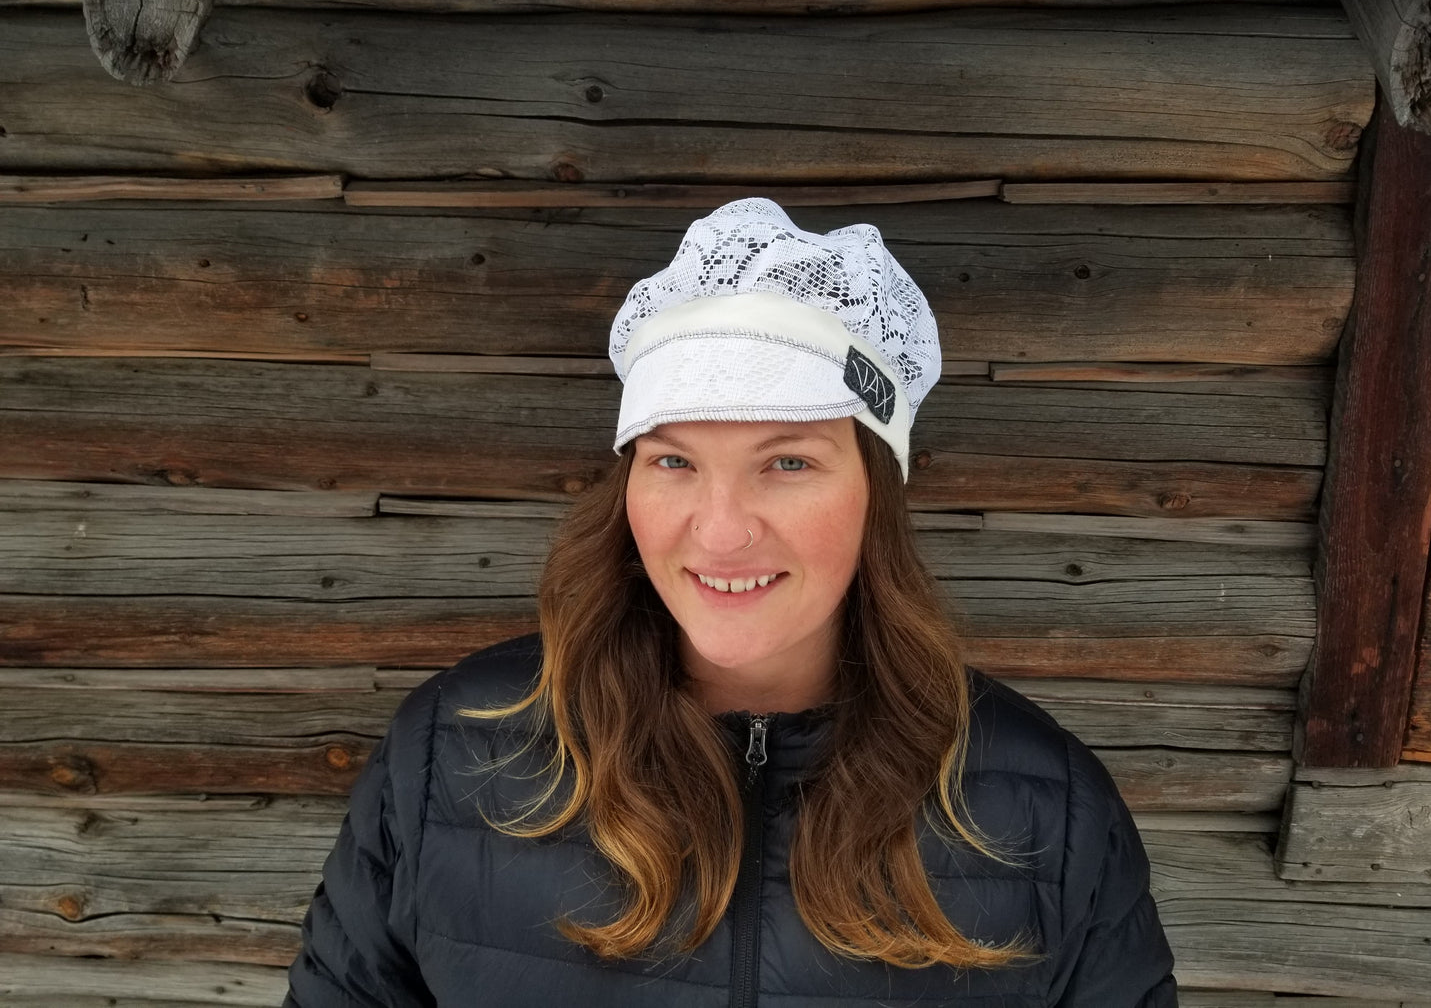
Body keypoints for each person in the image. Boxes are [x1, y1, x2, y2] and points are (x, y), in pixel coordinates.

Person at [284, 198, 1177, 1007]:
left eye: (787, 462)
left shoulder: (1047, 812)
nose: (717, 534)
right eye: (673, 461)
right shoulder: (450, 755)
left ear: (877, 492)